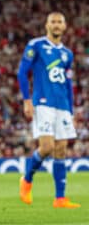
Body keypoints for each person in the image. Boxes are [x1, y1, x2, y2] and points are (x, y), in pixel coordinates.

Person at [17, 12, 80, 208]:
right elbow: (22, 72)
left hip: (62, 105)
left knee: (61, 149)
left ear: (65, 26)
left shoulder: (67, 54)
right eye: (53, 21)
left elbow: (68, 84)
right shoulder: (36, 45)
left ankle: (60, 198)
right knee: (47, 147)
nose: (56, 25)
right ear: (47, 25)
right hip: (43, 103)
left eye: (60, 22)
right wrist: (27, 100)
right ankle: (27, 179)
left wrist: (71, 110)